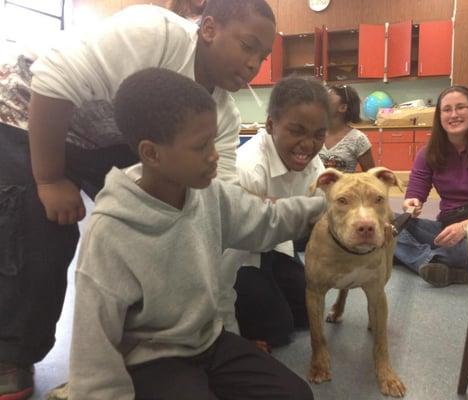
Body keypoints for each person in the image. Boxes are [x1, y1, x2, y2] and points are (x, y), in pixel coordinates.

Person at [0, 1, 276, 398]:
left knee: (170, 217)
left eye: (263, 57)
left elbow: (214, 201)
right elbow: (54, 78)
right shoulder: (155, 33)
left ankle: (147, 346)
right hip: (32, 113)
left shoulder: (223, 113)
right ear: (210, 28)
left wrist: (250, 214)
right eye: (248, 46)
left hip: (108, 137)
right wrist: (49, 178)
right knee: (42, 229)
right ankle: (11, 352)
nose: (255, 65)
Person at [68, 67, 321, 399]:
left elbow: (265, 218)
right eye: (202, 146)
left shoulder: (207, 192)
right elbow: (93, 347)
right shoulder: (110, 232)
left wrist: (328, 207)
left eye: (214, 141)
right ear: (151, 153)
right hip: (154, 359)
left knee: (295, 395)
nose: (215, 155)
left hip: (209, 342)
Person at [221, 77, 329, 350]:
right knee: (278, 330)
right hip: (239, 254)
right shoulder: (248, 166)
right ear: (270, 125)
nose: (308, 144)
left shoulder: (314, 162)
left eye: (318, 134)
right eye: (297, 131)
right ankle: (235, 334)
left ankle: (269, 294)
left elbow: (322, 214)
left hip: (277, 244)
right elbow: (235, 238)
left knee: (308, 313)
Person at [394, 85, 468, 287]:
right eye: (447, 109)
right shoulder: (428, 153)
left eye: (461, 107)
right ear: (439, 116)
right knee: (388, 223)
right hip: (446, 227)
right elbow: (414, 194)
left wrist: (464, 227)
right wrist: (411, 205)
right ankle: (432, 261)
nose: (454, 114)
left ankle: (419, 257)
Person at [318, 84, 375, 172]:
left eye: (330, 94)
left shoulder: (358, 139)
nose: (324, 98)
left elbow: (371, 177)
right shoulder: (315, 134)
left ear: (343, 107)